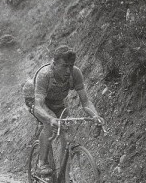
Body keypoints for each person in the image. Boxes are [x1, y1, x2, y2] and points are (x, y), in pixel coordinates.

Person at [33, 45, 104, 175]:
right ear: (54, 64)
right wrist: (50, 119)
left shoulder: (75, 73)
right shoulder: (45, 75)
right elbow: (38, 105)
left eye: (71, 66)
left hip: (59, 105)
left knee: (68, 136)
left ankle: (63, 175)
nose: (68, 71)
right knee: (49, 125)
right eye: (64, 66)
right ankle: (41, 163)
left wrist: (95, 116)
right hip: (43, 106)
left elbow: (86, 101)